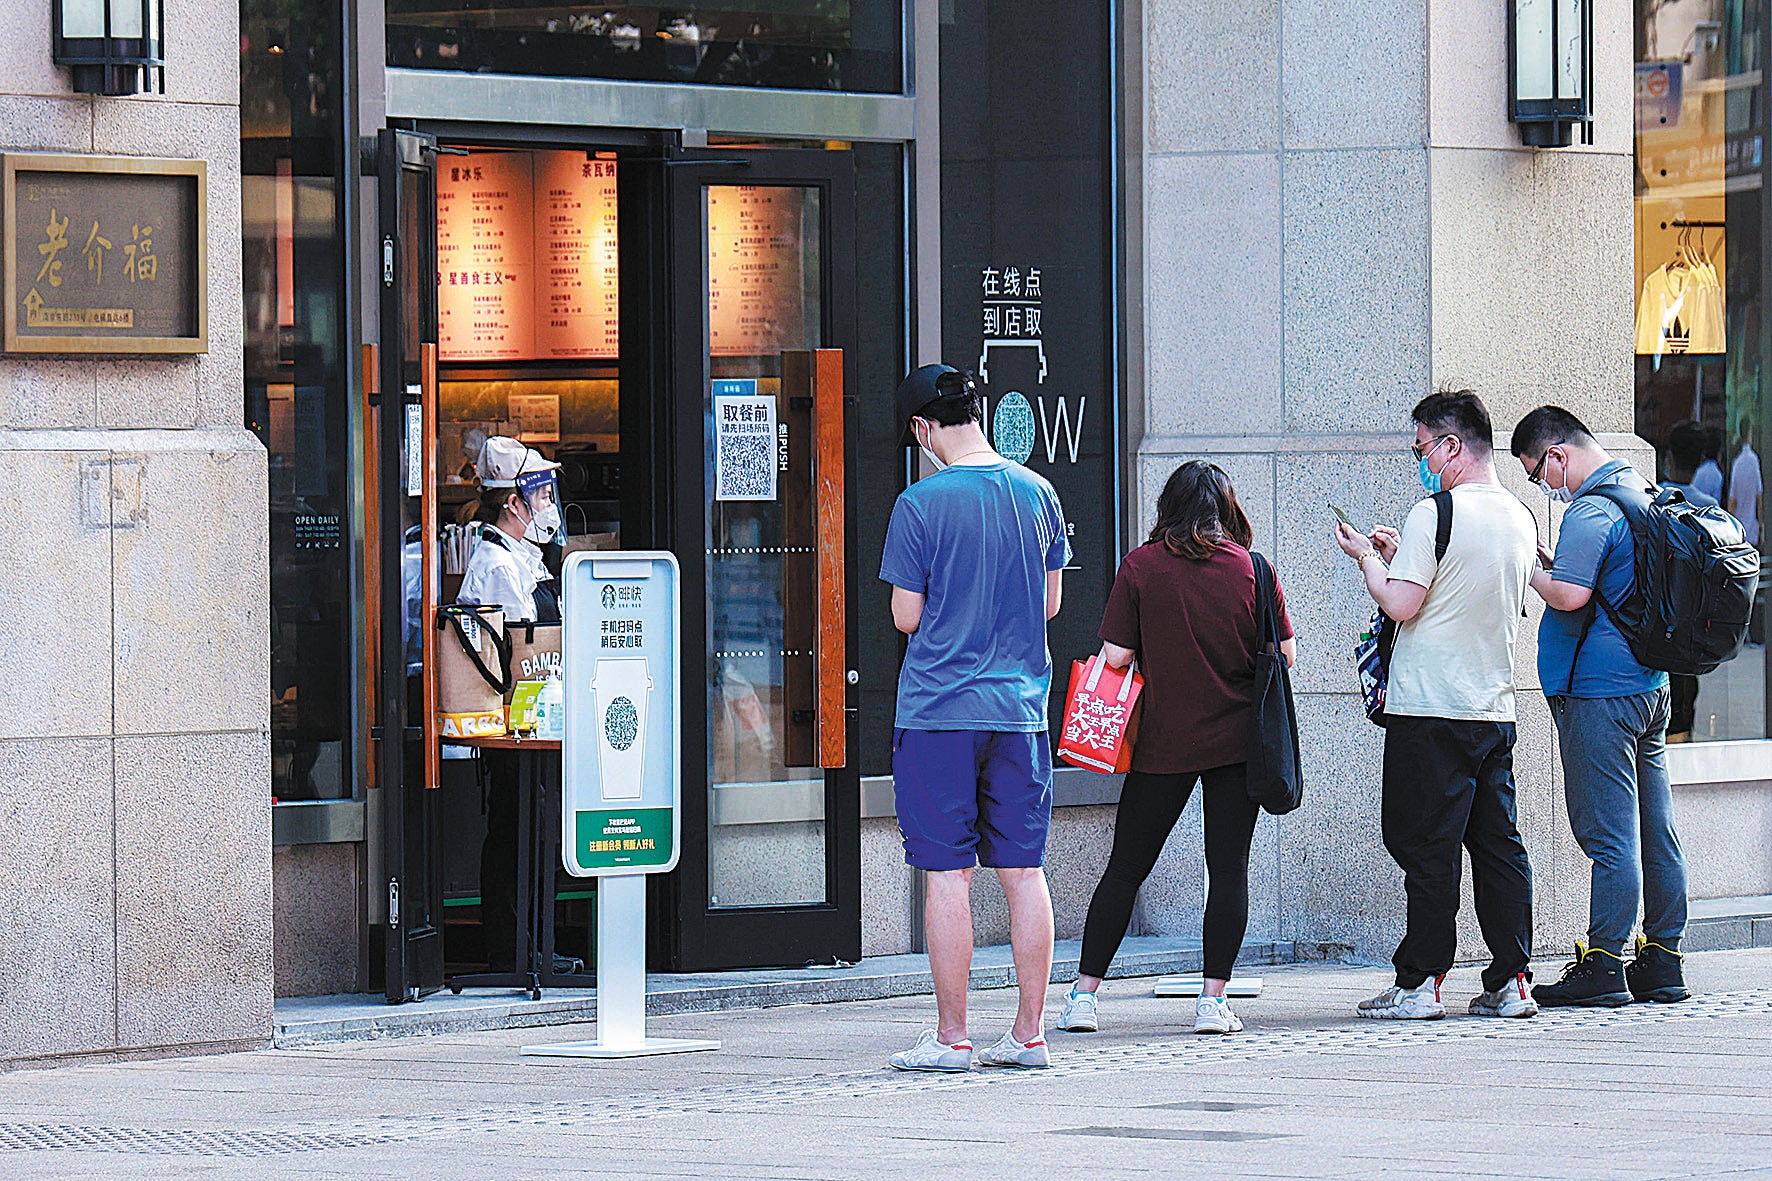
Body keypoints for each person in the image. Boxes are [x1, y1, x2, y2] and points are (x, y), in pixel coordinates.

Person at [1057, 462, 1294, 1038]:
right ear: (1226, 508)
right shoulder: (1254, 571)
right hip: (1238, 746)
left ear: (1168, 506)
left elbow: (1114, 657)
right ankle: (1213, 1001)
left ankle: (1085, 997)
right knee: (1228, 870)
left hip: (1162, 745)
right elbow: (1285, 655)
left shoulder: (1141, 567)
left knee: (1127, 867)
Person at [879, 364, 1069, 1072]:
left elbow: (906, 615)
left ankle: (953, 1035)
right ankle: (1029, 1032)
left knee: (947, 875)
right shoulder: (1038, 493)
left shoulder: (920, 503)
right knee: (1024, 871)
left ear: (924, 429)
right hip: (1020, 712)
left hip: (938, 712)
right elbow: (1050, 603)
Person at [1333, 389, 1539, 1020]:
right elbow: (1464, 594)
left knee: (1424, 846)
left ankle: (1420, 982)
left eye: (1422, 447)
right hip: (1492, 711)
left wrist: (1368, 558)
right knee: (1497, 846)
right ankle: (1511, 980)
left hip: (1429, 711)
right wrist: (1404, 561)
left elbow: (1401, 605)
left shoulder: (1435, 512)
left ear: (1451, 446)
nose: (1420, 459)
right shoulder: (1520, 517)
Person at [1511, 407, 1691, 1006]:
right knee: (1654, 827)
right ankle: (1663, 957)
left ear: (1558, 455)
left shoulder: (1591, 508)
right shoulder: (1641, 490)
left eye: (1538, 473)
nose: (1543, 485)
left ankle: (1605, 962)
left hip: (1600, 695)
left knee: (1608, 834)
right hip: (1650, 687)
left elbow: (1571, 594)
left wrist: (1531, 569)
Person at [458, 436, 565, 972]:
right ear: (512, 501)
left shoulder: (523, 556)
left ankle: (532, 944)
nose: (547, 501)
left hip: (535, 717)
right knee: (514, 829)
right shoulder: (498, 562)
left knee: (529, 824)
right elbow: (521, 646)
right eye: (539, 491)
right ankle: (515, 948)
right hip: (514, 720)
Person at [1661, 422, 1719, 743]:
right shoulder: (1710, 507)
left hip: (1660, 623)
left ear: (1668, 456)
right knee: (1684, 702)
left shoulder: (1654, 500)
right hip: (1695, 626)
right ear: (1700, 462)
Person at [1729, 416, 1762, 550]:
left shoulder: (1737, 463)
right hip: (1752, 531)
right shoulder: (1754, 461)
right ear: (1750, 433)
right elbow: (1759, 497)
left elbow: (1732, 502)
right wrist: (1761, 526)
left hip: (1738, 533)